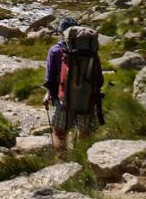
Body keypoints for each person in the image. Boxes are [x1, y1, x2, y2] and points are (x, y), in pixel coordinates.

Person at [42, 20, 105, 152]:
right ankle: (82, 159)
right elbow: (99, 79)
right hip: (87, 98)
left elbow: (50, 79)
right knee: (84, 132)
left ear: (62, 33)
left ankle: (61, 162)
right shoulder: (91, 51)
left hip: (64, 99)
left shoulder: (55, 50)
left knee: (60, 132)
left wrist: (48, 95)